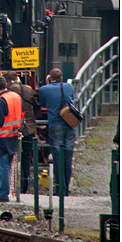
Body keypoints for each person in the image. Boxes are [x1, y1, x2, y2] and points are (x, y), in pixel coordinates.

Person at [38, 68, 76, 196]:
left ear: (50, 78)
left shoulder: (44, 89)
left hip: (55, 124)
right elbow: (72, 98)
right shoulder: (68, 86)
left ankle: (59, 188)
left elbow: (43, 103)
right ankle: (66, 188)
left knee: (57, 157)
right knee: (68, 156)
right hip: (70, 123)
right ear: (61, 78)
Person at [4, 71, 40, 194]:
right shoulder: (28, 89)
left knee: (13, 157)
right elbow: (36, 105)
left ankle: (14, 186)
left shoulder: (8, 91)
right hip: (29, 127)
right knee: (26, 157)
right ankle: (25, 185)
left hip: (15, 128)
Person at [0, 75, 24, 202]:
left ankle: (3, 194)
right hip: (14, 135)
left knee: (3, 166)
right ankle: (4, 191)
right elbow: (22, 114)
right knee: (8, 165)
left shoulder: (0, 101)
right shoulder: (16, 97)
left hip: (3, 136)